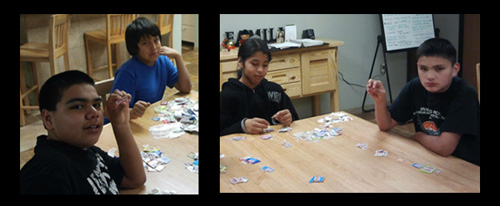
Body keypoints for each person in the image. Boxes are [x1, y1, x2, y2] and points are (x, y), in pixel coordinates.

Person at [20, 70, 146, 194]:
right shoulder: (46, 175)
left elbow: (134, 179)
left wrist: (120, 123)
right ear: (48, 119)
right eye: (78, 106)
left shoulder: (83, 150)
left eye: (96, 105)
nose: (94, 114)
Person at [366, 38, 479, 166]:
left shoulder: (464, 94)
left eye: (439, 69)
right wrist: (380, 101)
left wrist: (418, 136)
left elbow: (444, 148)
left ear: (454, 69)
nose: (430, 76)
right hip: (430, 155)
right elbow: (385, 125)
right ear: (417, 67)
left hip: (465, 165)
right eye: (423, 69)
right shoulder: (415, 87)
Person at [111, 17, 191, 119]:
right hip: (126, 124)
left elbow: (185, 88)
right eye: (145, 43)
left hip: (149, 119)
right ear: (134, 47)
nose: (153, 47)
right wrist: (132, 112)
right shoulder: (127, 72)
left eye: (156, 40)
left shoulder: (163, 61)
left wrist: (178, 56)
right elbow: (115, 110)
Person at [220, 36, 299, 136]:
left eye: (265, 65)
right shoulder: (227, 95)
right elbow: (222, 132)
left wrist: (286, 119)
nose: (260, 70)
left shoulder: (275, 90)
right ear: (240, 62)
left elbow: (295, 120)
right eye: (254, 64)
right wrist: (242, 126)